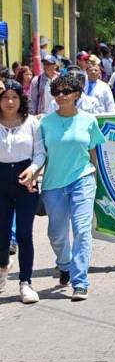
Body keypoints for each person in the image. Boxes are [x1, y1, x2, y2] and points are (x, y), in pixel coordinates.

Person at [39, 73, 106, 301]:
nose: (61, 95)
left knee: (81, 229)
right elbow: (40, 155)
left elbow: (94, 152)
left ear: (77, 94)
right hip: (53, 184)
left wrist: (96, 177)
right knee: (56, 234)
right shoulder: (45, 123)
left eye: (66, 91)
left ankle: (80, 281)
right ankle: (64, 264)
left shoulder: (89, 120)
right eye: (57, 92)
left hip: (83, 180)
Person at [0, 80, 45, 303]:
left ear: (21, 99)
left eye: (14, 97)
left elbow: (39, 153)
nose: (10, 102)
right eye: (5, 97)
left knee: (25, 234)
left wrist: (33, 170)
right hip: (0, 181)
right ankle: (2, 266)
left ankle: (25, 283)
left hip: (25, 181)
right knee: (1, 234)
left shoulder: (31, 123)